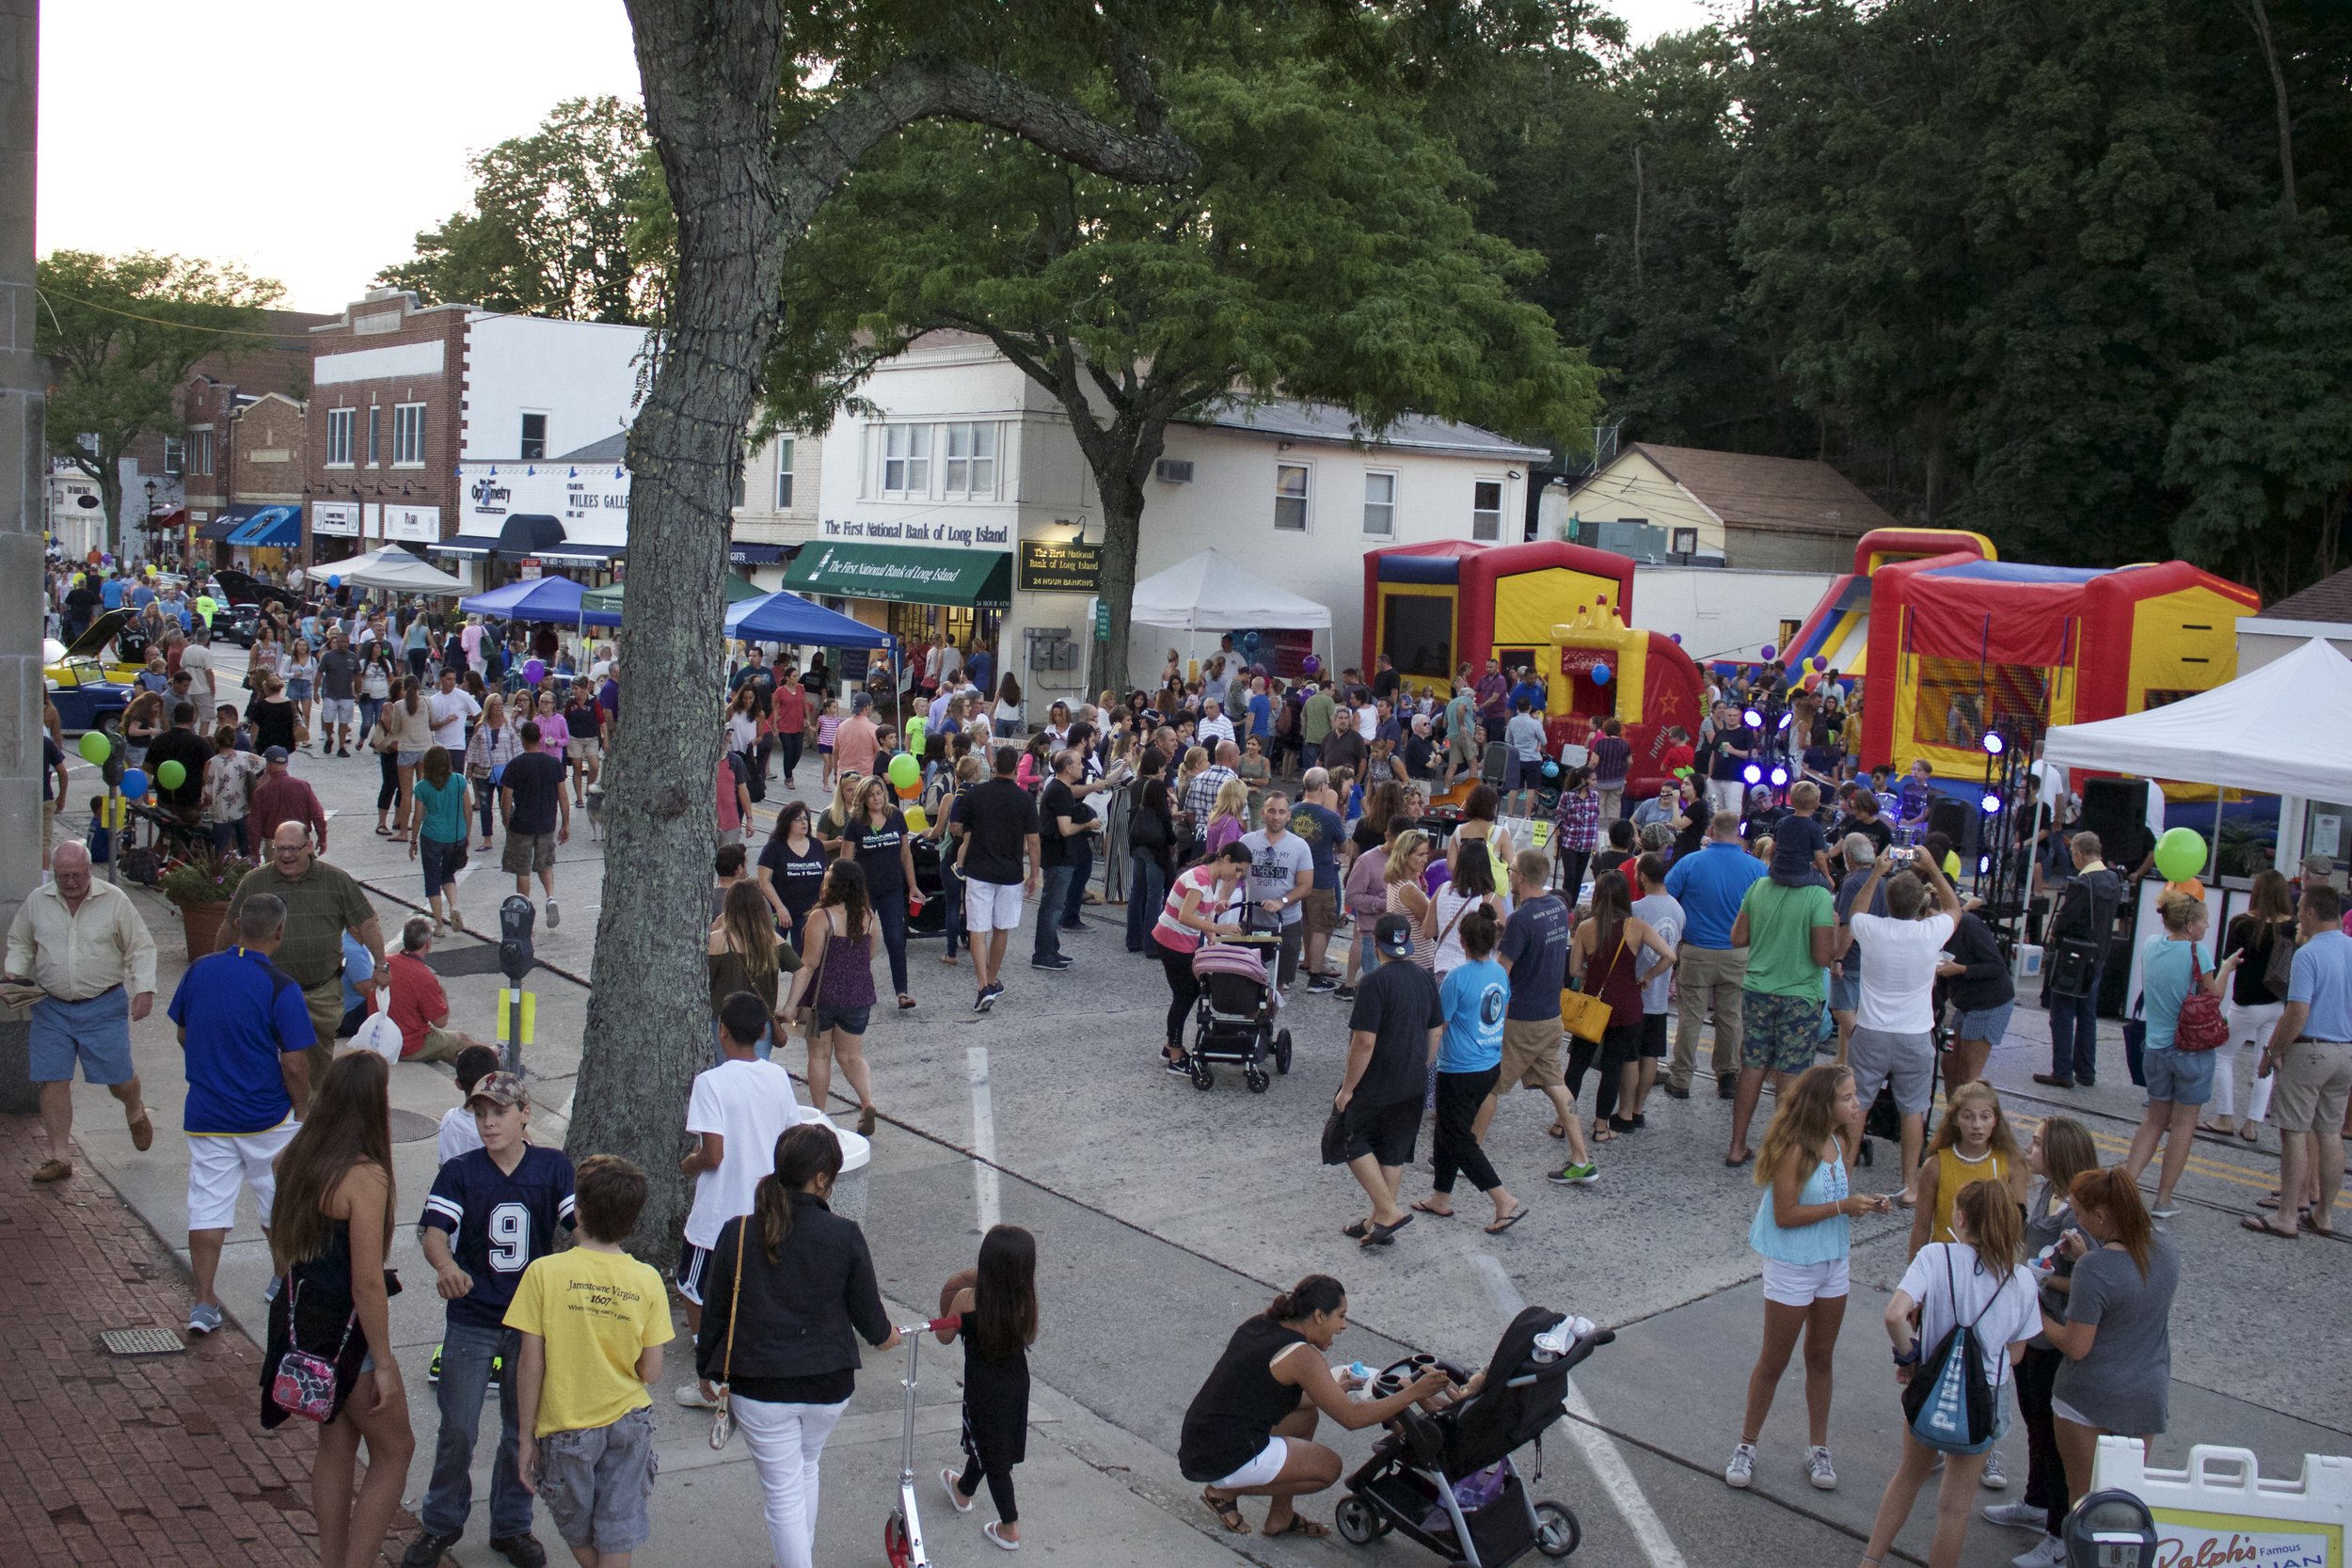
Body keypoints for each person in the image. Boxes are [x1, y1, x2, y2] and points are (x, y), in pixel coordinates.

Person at [693, 1123, 898, 1568]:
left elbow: (716, 1310)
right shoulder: (844, 1235)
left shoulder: (739, 1232)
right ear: (822, 1178)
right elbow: (870, 1319)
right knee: (806, 1467)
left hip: (761, 1386)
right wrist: (888, 1336)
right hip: (829, 1385)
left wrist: (706, 1368)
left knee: (783, 1494)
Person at [406, 1071, 578, 1568]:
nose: (487, 1123)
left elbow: (580, 1225)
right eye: (480, 1114)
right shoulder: (461, 1172)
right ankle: (440, 1522)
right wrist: (446, 1266)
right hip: (474, 1317)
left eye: (499, 1112)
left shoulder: (552, 1167)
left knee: (520, 1426)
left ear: (526, 1113)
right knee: (458, 1427)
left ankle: (511, 1524)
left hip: (529, 1324)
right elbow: (435, 1231)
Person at [262, 1053, 415, 1568]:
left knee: (335, 1443)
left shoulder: (292, 1158)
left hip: (305, 1325)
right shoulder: (364, 1177)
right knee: (396, 1451)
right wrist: (386, 1363)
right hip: (353, 1338)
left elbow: (284, 1250)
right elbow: (367, 1283)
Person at [1181, 1275, 1452, 1539]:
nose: (1344, 1326)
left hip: (1203, 1438)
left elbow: (1274, 1395)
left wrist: (1334, 1390)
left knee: (1306, 1417)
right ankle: (1225, 1492)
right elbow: (1352, 1418)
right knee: (1328, 1468)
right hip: (1222, 1452)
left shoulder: (1263, 1324)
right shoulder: (1302, 1356)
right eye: (1341, 1316)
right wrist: (1414, 1392)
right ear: (1320, 1315)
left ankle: (1281, 1516)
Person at [1857, 1180, 2040, 1568]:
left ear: (1962, 1217)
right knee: (1955, 1508)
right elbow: (2017, 1353)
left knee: (1909, 1475)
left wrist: (1910, 1360)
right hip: (1983, 1400)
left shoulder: (1935, 1256)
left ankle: (1871, 1561)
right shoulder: (2023, 1280)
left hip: (1932, 1388)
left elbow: (1894, 1314)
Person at [1729, 1065, 1888, 1494]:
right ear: (1825, 1104)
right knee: (1774, 1361)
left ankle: (1819, 1447)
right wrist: (1844, 1208)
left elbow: (1837, 1196)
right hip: (1793, 1266)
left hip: (1833, 1263)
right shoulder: (1795, 1148)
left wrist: (1866, 1205)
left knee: (1821, 1357)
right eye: (1848, 1098)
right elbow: (1786, 1214)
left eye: (1856, 1096)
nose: (1858, 1104)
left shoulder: (1842, 1139)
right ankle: (1746, 1445)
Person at [169, 894, 313, 1335]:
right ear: (279, 931)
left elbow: (183, 1033)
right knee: (280, 1206)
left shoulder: (200, 970)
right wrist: (303, 1112)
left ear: (235, 926)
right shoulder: (280, 986)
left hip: (208, 1114)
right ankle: (283, 1286)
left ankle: (203, 1302)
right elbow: (295, 1063)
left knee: (208, 1209)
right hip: (267, 1117)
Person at [677, 989, 816, 1397]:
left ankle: (709, 1379)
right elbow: (792, 1135)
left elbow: (713, 1154)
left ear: (722, 1032)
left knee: (693, 1286)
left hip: (719, 1212)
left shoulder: (710, 1083)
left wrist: (690, 1164)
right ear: (761, 1033)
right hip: (767, 1207)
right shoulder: (776, 1076)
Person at [1982, 1117, 2100, 1564]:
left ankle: (2058, 1532)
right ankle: (2035, 1501)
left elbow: (2095, 1280)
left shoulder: (2081, 1212)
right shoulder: (2048, 1193)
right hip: (2033, 1325)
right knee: (2033, 1418)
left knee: (2055, 1434)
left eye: (2037, 1143)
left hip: (2058, 1330)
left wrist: (2044, 1282)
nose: (2029, 1149)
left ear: (2060, 1153)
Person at [5, 841, 157, 1186]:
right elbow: (20, 942)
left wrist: (144, 990)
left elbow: (141, 947)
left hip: (103, 1005)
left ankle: (133, 1107)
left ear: (89, 869)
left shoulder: (115, 900)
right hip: (51, 1007)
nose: (70, 882)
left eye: (76, 875)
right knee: (52, 1079)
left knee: (118, 1079)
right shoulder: (37, 902)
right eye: (62, 876)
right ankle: (60, 1156)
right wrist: (15, 971)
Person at [2039, 1169, 2178, 1515]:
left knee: (2084, 1501)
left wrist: (2034, 1315)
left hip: (2088, 1398)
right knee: (2124, 1504)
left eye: (2082, 1215)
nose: (2078, 1221)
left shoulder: (2095, 1270)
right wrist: (2088, 1258)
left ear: (2101, 1215)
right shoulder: (2165, 1250)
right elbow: (2128, 1291)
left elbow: (2075, 1345)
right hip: (2146, 1394)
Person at [1836, 847, 1963, 1196]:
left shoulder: (1872, 928)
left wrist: (1876, 872)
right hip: (1915, 1034)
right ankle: (1909, 1185)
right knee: (1913, 1110)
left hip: (1872, 1031)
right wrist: (1933, 867)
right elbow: (1954, 908)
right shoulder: (1930, 933)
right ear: (1921, 905)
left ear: (1887, 902)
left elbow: (1855, 910)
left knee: (1858, 1105)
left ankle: (1843, 1178)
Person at [222, 823, 385, 1090]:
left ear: (309, 847)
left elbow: (367, 921)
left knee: (316, 1064)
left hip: (319, 993)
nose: (286, 855)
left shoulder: (336, 880)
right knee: (266, 1059)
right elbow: (231, 926)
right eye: (280, 849)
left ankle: (311, 1118)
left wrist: (381, 965)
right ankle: (277, 1115)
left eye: (293, 849)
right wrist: (219, 968)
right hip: (265, 993)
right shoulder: (255, 882)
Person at [1724, 835, 1842, 1167]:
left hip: (1759, 990)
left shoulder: (1759, 888)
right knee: (1792, 1071)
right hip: (1800, 995)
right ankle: (1780, 1152)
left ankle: (1736, 1145)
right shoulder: (1818, 896)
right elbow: (1822, 956)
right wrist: (1833, 931)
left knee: (1753, 1065)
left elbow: (1737, 938)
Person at [1480, 849, 1598, 1185]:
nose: (1510, 872)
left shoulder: (1521, 918)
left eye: (1512, 868)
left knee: (1490, 1085)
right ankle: (1581, 1160)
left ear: (1520, 877)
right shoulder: (1558, 908)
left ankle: (1466, 1153)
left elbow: (1502, 972)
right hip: (1550, 1014)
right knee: (1556, 1085)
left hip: (1521, 1017)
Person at [2246, 883, 2352, 1240]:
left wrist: (2273, 1052)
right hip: (2345, 1051)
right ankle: (2323, 1214)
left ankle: (2287, 1215)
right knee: (2330, 1133)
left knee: (2294, 1132)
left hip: (2311, 1050)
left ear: (2309, 912)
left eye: (2300, 910)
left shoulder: (2308, 954)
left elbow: (2298, 1011)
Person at [2120, 892, 2235, 1218]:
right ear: (2190, 924)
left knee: (2154, 1120)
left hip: (2155, 1048)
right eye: (2203, 921)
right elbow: (2215, 995)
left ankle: (2126, 1184)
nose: (2207, 925)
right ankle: (2164, 1198)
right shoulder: (2199, 953)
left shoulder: (2151, 946)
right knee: (2184, 1125)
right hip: (2191, 1051)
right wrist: (2226, 967)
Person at [1333, 914, 1443, 1247]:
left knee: (1346, 1138)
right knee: (1393, 1149)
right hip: (1413, 1078)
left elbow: (1364, 1041)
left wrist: (1347, 1088)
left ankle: (1388, 1211)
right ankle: (1379, 1221)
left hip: (1379, 1079)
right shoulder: (1425, 978)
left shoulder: (1372, 982)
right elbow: (1436, 1030)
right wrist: (1421, 1065)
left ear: (1377, 944)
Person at [1413, 909, 1525, 1232]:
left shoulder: (1457, 978)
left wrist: (1424, 1065)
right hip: (1489, 1063)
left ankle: (1502, 1198)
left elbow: (1439, 1025)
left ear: (1461, 941)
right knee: (1447, 1131)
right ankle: (1440, 1196)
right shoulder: (1499, 973)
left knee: (1458, 1137)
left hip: (1460, 1068)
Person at [932, 1225, 1041, 1550]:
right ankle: (963, 1490)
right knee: (990, 1443)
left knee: (995, 1461)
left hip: (983, 1390)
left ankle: (1010, 1526)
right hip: (1016, 1385)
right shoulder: (1026, 1302)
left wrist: (942, 1315)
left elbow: (943, 1335)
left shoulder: (968, 1299)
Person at [1565, 869, 1679, 1136]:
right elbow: (1669, 956)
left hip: (1593, 1006)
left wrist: (1594, 975)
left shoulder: (1586, 927)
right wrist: (1646, 976)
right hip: (1626, 1007)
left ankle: (1563, 1122)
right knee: (1613, 1068)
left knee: (1577, 1066)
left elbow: (1574, 971)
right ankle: (1601, 1126)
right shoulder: (1636, 927)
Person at [1665, 812, 1769, 1101]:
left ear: (1711, 829)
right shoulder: (1756, 869)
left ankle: (1681, 1078)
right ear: (1739, 832)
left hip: (1697, 949)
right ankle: (1727, 1076)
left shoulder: (1690, 862)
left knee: (1690, 1016)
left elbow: (1669, 896)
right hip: (1737, 953)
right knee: (1731, 1016)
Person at [782, 861, 882, 1135]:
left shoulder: (821, 918)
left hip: (821, 997)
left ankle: (820, 1118)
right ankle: (867, 1102)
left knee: (819, 1055)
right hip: (859, 995)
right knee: (852, 1057)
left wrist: (790, 1006)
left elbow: (809, 964)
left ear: (833, 884)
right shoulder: (868, 916)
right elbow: (870, 954)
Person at [2033, 833, 2125, 1089]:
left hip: (2074, 954)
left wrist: (2056, 932)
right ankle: (2086, 1071)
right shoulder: (2113, 879)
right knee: (2087, 1014)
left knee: (2062, 1011)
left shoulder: (2083, 883)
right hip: (2098, 954)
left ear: (2079, 855)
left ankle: (2062, 1070)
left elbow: (2065, 921)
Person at [954, 746, 1041, 1014]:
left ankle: (983, 985)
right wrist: (1034, 874)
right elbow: (1034, 842)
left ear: (994, 767)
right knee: (1001, 929)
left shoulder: (976, 793)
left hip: (979, 869)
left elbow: (959, 828)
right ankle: (992, 979)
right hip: (1010, 872)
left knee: (977, 928)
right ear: (1016, 768)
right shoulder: (1025, 800)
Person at [1152, 842, 1252, 1073]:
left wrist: (1212, 933)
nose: (1236, 876)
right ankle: (1174, 1055)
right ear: (1225, 858)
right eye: (1237, 869)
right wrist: (1219, 927)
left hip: (1181, 940)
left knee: (1190, 992)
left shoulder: (1212, 878)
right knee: (1185, 994)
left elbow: (1201, 911)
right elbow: (1186, 916)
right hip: (1172, 939)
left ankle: (1170, 1046)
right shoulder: (1201, 878)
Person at [2211, 869, 2296, 1138]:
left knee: (2222, 1055)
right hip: (2277, 1002)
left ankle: (2225, 1117)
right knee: (2264, 1062)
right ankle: (2252, 1124)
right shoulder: (2292, 926)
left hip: (2246, 1002)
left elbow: (2229, 960)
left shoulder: (2242, 924)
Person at [1908, 1081, 2027, 1260]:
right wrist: (1914, 1273)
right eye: (1968, 1117)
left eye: (1985, 1117)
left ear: (1995, 1120)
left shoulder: (2011, 1164)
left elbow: (2018, 1225)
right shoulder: (1936, 1165)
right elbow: (1922, 1227)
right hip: (1947, 1262)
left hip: (1992, 1262)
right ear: (1955, 1119)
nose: (1977, 1125)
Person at [386, 916, 488, 1064]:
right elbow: (440, 1022)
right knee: (460, 1039)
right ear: (427, 944)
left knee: (448, 1043)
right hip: (408, 1046)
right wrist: (443, 995)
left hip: (383, 1039)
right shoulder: (424, 977)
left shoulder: (386, 962)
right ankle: (494, 1056)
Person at [500, 720, 572, 928]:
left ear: (522, 740)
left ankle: (524, 911)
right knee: (545, 864)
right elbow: (563, 797)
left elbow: (506, 797)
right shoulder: (553, 764)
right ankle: (551, 898)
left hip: (522, 823)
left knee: (522, 870)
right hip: (546, 822)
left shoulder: (515, 765)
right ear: (540, 738)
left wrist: (506, 820)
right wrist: (565, 824)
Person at [1031, 749, 1099, 974]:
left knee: (1053, 905)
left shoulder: (1061, 789)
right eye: (1079, 763)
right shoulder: (1060, 791)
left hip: (1058, 855)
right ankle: (1042, 954)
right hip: (1058, 856)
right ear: (1068, 768)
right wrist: (1088, 824)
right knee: (1052, 907)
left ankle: (1051, 949)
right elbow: (1066, 828)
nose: (1082, 767)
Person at [1241, 792, 1315, 990]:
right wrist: (1221, 901)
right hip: (1253, 921)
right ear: (1263, 813)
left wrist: (1281, 901)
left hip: (1287, 924)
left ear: (1288, 816)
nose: (1276, 816)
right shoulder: (1247, 841)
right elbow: (1233, 875)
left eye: (1281, 812)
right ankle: (1253, 1019)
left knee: (1278, 983)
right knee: (1248, 979)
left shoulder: (1300, 846)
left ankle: (1267, 1021)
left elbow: (1306, 886)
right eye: (1272, 811)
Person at [1938, 905, 2015, 1090]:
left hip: (1989, 1001)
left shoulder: (1969, 924)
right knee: (1949, 1066)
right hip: (1965, 1003)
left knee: (1969, 1075)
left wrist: (1961, 969)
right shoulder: (1935, 934)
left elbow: (1996, 966)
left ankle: (1971, 1115)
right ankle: (1954, 1116)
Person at [407, 746, 475, 934]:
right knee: (448, 874)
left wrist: (413, 841)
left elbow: (418, 817)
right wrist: (466, 835)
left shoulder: (422, 786)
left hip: (432, 836)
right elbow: (468, 811)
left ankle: (439, 924)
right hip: (456, 836)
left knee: (432, 878)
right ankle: (453, 906)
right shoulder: (459, 781)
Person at [757, 800, 827, 952]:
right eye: (798, 819)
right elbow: (764, 880)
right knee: (771, 957)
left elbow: (824, 877)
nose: (804, 822)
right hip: (779, 911)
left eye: (805, 818)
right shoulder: (775, 847)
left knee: (804, 959)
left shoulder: (817, 846)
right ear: (787, 823)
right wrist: (780, 907)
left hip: (808, 912)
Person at [251, 744, 331, 850]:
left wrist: (254, 852)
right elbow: (318, 816)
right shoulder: (302, 786)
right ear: (286, 763)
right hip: (300, 842)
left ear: (268, 765)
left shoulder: (261, 793)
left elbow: (254, 826)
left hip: (275, 844)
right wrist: (322, 839)